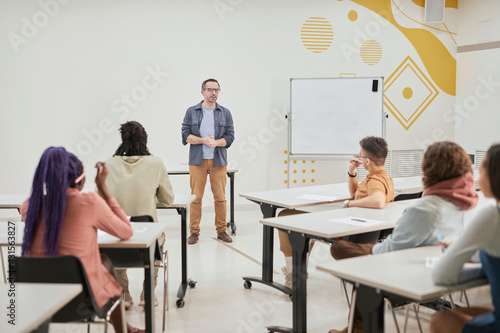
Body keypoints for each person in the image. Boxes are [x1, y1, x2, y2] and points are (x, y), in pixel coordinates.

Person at [328, 141, 479, 333]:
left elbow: (389, 250)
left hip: (415, 272)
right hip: (444, 265)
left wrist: (372, 251)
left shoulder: (424, 208)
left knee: (357, 265)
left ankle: (357, 329)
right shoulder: (470, 201)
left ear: (429, 170)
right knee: (355, 257)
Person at [21, 147, 144, 333]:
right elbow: (126, 231)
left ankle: (128, 329)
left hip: (37, 301)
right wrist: (104, 188)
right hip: (80, 301)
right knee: (106, 270)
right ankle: (125, 331)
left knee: (103, 262)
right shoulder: (89, 203)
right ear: (81, 178)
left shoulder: (29, 206)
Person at [279, 136, 394, 289]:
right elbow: (356, 193)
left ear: (368, 161)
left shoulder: (374, 182)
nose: (358, 157)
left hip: (347, 230)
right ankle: (298, 271)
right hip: (363, 230)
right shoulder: (385, 179)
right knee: (293, 218)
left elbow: (378, 200)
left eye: (360, 155)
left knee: (285, 216)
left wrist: (349, 204)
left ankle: (293, 276)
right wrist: (352, 173)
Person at [102, 121, 174, 308]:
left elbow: (98, 199)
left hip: (117, 238)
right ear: (145, 140)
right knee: (160, 238)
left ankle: (123, 293)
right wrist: (149, 200)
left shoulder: (109, 163)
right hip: (147, 236)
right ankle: (148, 293)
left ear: (122, 140)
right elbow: (167, 200)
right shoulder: (156, 163)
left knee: (115, 239)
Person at [430, 143, 500, 333]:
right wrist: (477, 257)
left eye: (482, 166)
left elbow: (441, 275)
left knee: (440, 320)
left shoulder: (492, 216)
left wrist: (456, 254)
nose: (477, 175)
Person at [181, 78, 235, 244]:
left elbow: (230, 137)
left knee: (220, 198)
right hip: (198, 161)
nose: (214, 93)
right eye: (210, 89)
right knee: (196, 198)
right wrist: (204, 141)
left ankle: (221, 230)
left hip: (218, 161)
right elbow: (185, 135)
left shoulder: (225, 112)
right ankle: (194, 232)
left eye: (217, 90)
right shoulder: (192, 111)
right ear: (202, 91)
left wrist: (216, 142)